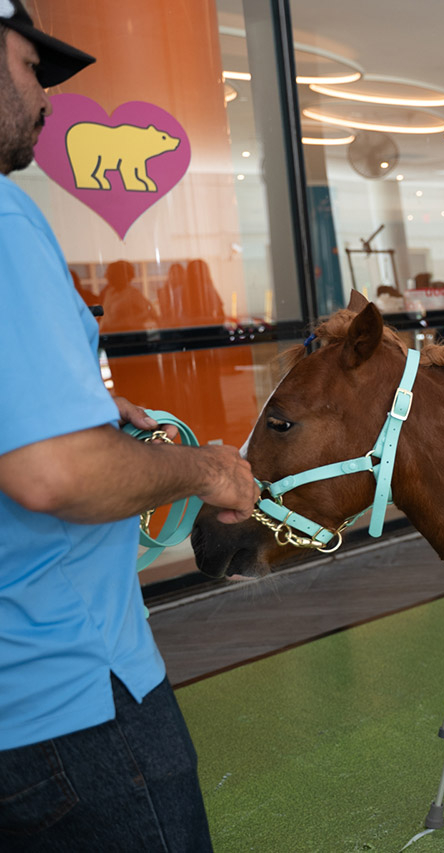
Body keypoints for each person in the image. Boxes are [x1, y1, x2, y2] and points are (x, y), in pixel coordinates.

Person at [0, 5, 259, 849]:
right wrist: (208, 471)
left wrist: (61, 398)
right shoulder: (5, 223)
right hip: (66, 703)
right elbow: (56, 473)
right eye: (32, 67)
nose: (44, 97)